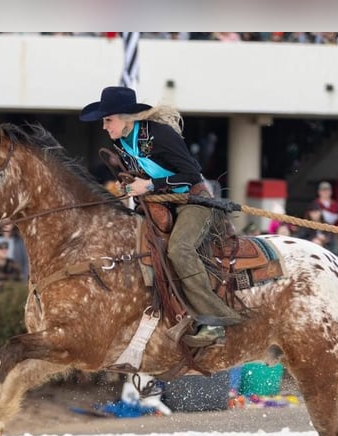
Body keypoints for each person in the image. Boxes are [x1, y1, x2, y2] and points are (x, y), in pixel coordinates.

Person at [79, 86, 244, 347]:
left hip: (194, 199)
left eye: (107, 119)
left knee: (179, 249)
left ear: (126, 118)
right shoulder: (120, 142)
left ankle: (215, 320)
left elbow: (191, 173)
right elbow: (144, 176)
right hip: (161, 204)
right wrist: (132, 184)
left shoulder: (159, 135)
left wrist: (150, 186)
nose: (104, 126)